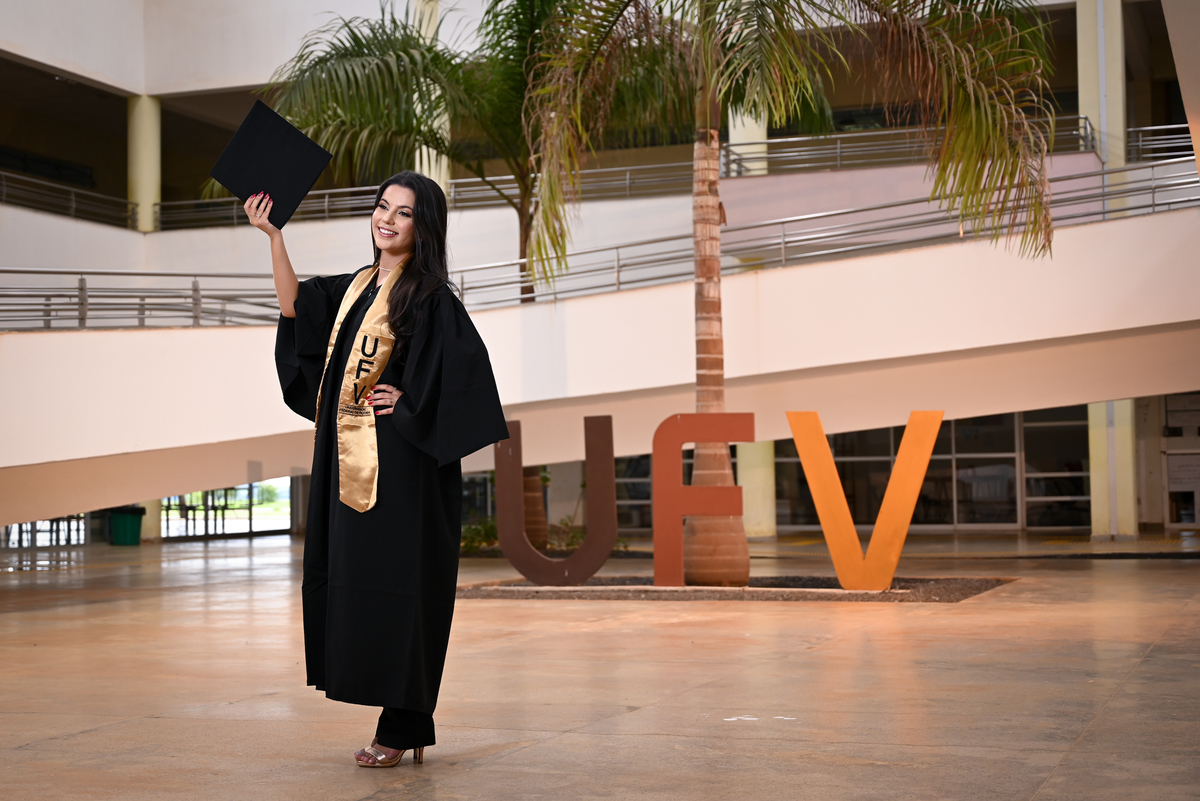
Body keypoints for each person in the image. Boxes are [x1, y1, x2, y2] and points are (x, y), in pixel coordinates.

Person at [246, 171, 508, 767]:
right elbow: (294, 308)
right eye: (382, 207)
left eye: (404, 212)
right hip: (350, 460)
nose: (387, 219)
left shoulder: (430, 297)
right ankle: (400, 717)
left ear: (424, 225)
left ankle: (402, 724)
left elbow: (462, 381)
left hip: (404, 467)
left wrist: (407, 404)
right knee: (358, 582)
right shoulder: (357, 287)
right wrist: (274, 237)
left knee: (403, 587)